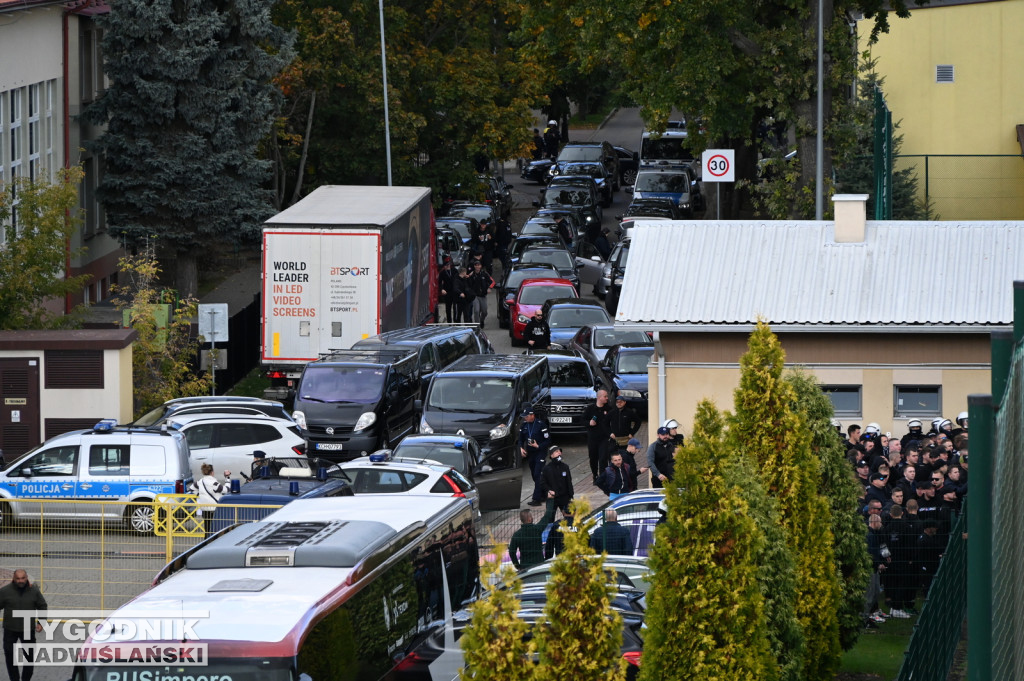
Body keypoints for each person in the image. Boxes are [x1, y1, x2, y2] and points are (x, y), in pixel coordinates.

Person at [1, 570, 47, 681]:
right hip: (10, 629)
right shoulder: (4, 591)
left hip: (28, 629)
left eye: (23, 578)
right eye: (18, 578)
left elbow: (42, 606)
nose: (20, 581)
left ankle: (26, 679)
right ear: (14, 578)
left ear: (26, 578)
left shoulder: (34, 591)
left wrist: (41, 622)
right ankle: (14, 679)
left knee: (29, 657)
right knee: (10, 656)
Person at [519, 407, 551, 506]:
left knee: (537, 474)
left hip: (540, 452)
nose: (525, 418)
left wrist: (538, 446)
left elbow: (548, 440)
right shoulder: (524, 425)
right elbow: (520, 439)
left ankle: (536, 499)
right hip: (531, 452)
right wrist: (521, 448)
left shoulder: (541, 425)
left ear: (532, 415)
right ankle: (544, 493)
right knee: (534, 475)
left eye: (527, 416)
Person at [508, 504, 556, 570]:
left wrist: (518, 566)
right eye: (531, 516)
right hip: (539, 564)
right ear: (529, 519)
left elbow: (512, 552)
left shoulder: (517, 535)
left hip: (525, 566)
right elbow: (547, 516)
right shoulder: (537, 529)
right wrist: (551, 499)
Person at [582, 390, 613, 481]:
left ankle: (603, 477)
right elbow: (582, 420)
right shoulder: (590, 409)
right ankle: (595, 475)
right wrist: (589, 423)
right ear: (599, 397)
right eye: (605, 396)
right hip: (592, 438)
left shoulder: (608, 409)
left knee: (603, 458)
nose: (607, 398)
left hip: (604, 438)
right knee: (593, 458)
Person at [189, 463, 228, 536]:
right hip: (215, 510)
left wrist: (199, 495)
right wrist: (227, 478)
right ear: (212, 472)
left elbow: (191, 489)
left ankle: (206, 544)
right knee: (216, 531)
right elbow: (226, 489)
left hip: (205, 509)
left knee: (207, 530)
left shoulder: (200, 482)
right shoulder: (213, 483)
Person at [540, 445, 574, 514]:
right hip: (553, 498)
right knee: (550, 518)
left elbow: (569, 481)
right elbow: (542, 482)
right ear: (551, 455)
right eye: (556, 451)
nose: (559, 453)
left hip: (564, 497)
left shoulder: (565, 467)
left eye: (560, 451)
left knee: (570, 517)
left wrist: (571, 495)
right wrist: (549, 490)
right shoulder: (546, 469)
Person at [466, 260, 494, 328]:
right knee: (476, 311)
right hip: (475, 296)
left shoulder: (484, 273)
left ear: (480, 266)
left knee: (484, 312)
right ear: (474, 266)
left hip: (483, 295)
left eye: (478, 265)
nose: (477, 266)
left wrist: (489, 288)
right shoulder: (471, 274)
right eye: (476, 265)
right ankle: (477, 326)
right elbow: (467, 284)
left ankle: (481, 320)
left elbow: (492, 282)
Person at [438, 258, 459, 323]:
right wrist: (442, 289)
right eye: (446, 265)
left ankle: (456, 321)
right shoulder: (442, 273)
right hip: (447, 292)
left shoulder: (454, 271)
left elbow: (458, 279)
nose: (448, 266)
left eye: (449, 265)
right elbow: (439, 282)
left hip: (454, 291)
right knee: (448, 308)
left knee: (455, 307)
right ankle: (449, 322)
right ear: (444, 266)